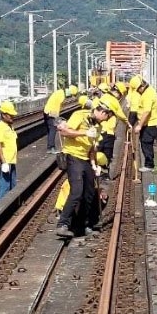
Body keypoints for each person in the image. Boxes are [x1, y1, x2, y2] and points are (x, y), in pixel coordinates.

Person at [54, 98, 111, 238]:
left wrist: (93, 164)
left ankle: (83, 224)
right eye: (106, 116)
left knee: (89, 193)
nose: (105, 120)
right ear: (102, 112)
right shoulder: (79, 115)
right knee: (77, 191)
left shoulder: (98, 127)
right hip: (73, 156)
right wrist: (84, 133)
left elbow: (92, 148)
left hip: (86, 159)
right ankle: (63, 224)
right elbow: (65, 132)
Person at [54, 151, 110, 235]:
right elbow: (75, 199)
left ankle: (86, 224)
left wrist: (99, 191)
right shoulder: (77, 180)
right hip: (68, 212)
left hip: (75, 210)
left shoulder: (87, 177)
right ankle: (74, 225)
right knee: (87, 197)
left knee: (97, 195)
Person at [133, 77, 157, 171]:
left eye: (137, 90)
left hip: (150, 124)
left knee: (146, 142)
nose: (137, 92)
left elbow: (146, 111)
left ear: (141, 87)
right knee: (145, 142)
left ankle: (149, 165)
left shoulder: (148, 94)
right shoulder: (148, 92)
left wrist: (139, 126)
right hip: (149, 123)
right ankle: (149, 164)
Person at [0, 100, 18, 199]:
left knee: (12, 186)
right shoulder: (0, 127)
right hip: (6, 161)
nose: (12, 117)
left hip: (11, 161)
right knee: (4, 187)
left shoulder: (9, 126)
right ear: (4, 115)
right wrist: (3, 163)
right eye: (10, 115)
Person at [43, 84, 77, 153]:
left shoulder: (60, 92)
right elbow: (56, 108)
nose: (70, 97)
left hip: (47, 111)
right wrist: (58, 120)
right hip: (51, 113)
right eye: (71, 95)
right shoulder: (61, 96)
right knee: (53, 130)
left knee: (50, 131)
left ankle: (50, 147)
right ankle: (51, 148)